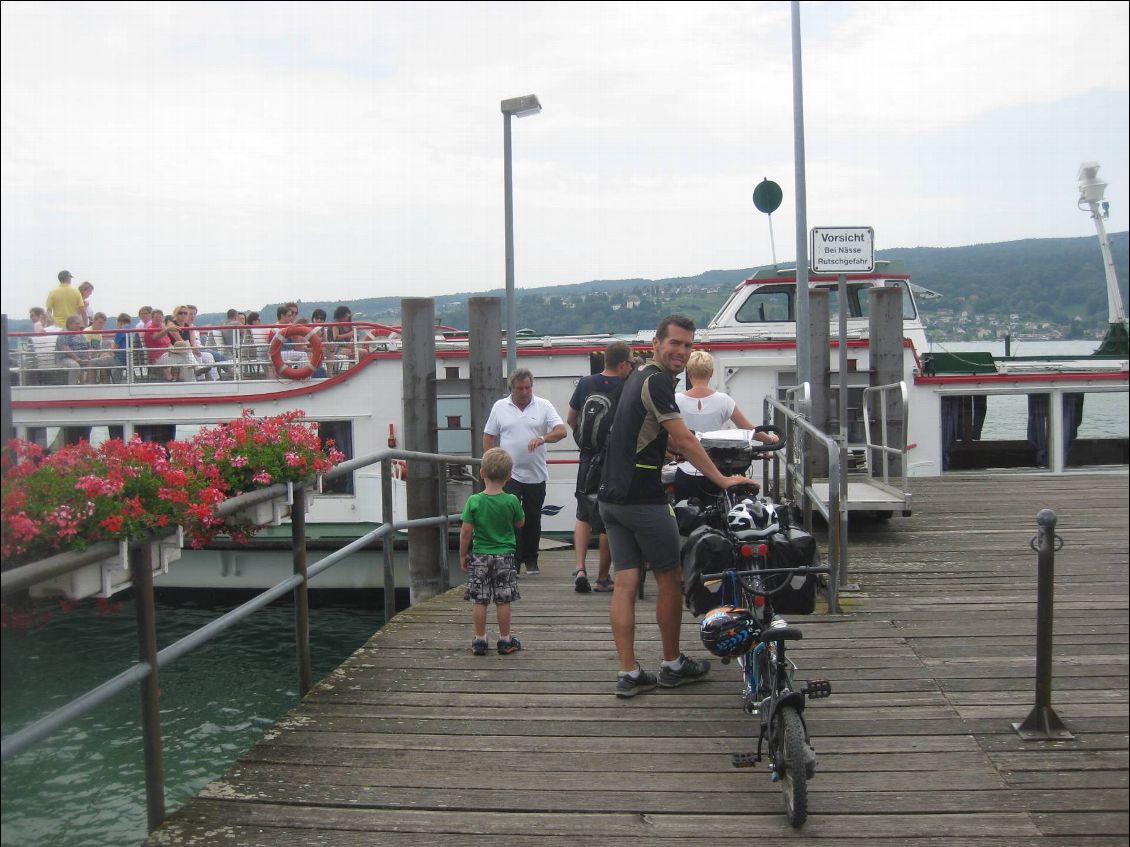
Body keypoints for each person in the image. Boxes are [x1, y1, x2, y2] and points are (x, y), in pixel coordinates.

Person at [598, 315, 757, 698]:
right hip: (642, 497)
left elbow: (644, 432)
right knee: (670, 578)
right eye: (675, 344)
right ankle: (672, 665)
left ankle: (629, 672)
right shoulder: (657, 381)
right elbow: (684, 440)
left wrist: (667, 447)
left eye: (688, 346)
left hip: (610, 497)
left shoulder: (635, 377)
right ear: (656, 343)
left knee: (625, 580)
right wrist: (722, 478)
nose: (682, 352)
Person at [483, 368, 566, 576]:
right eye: (520, 388)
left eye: (528, 387)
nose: (525, 392)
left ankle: (531, 559)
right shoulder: (500, 407)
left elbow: (561, 431)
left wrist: (543, 438)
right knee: (511, 516)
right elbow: (489, 436)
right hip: (509, 473)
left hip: (536, 472)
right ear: (512, 388)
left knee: (533, 517)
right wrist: (491, 462)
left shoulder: (543, 405)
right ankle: (514, 560)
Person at [566, 339, 634, 593]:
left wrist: (586, 441)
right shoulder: (628, 385)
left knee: (583, 514)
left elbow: (572, 418)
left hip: (587, 457)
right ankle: (603, 577)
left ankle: (580, 568)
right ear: (623, 364)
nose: (633, 366)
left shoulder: (586, 383)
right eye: (632, 362)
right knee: (609, 519)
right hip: (614, 461)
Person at [672, 350, 778, 503]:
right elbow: (749, 430)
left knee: (685, 520)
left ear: (689, 373)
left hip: (686, 471)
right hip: (714, 472)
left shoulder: (676, 400)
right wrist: (770, 439)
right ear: (711, 373)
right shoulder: (723, 400)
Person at [459, 447, 526, 656]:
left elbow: (466, 531)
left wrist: (463, 554)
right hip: (505, 556)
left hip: (479, 555)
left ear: (481, 473)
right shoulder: (512, 500)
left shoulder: (474, 501)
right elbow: (521, 522)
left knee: (480, 600)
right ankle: (505, 640)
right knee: (503, 599)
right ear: (509, 476)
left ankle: (480, 640)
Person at [55, 315, 91, 384]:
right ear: (70, 324)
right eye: (77, 323)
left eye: (80, 323)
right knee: (75, 366)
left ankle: (86, 385)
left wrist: (89, 355)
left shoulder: (81, 335)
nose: (79, 325)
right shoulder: (64, 334)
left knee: (94, 363)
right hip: (65, 359)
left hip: (83, 358)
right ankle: (72, 386)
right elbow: (65, 348)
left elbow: (87, 346)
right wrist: (76, 358)